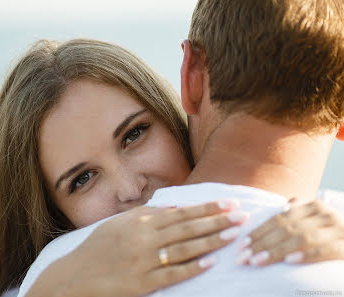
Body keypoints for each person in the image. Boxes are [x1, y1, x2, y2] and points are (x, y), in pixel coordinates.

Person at [19, 0, 344, 296]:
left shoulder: (56, 267)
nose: (131, 190)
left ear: (190, 78)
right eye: (82, 178)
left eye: (134, 135)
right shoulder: (63, 276)